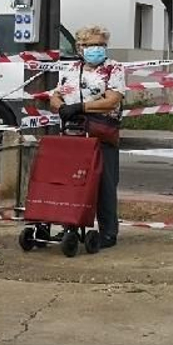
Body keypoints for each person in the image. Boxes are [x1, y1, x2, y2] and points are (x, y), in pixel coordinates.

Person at [50, 25, 124, 248]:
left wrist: (81, 107)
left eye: (100, 44)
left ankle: (108, 232)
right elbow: (55, 96)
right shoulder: (71, 69)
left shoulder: (114, 69)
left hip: (101, 133)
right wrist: (62, 107)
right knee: (72, 181)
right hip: (73, 132)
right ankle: (69, 227)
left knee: (105, 183)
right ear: (80, 47)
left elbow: (112, 100)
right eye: (91, 45)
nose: (96, 49)